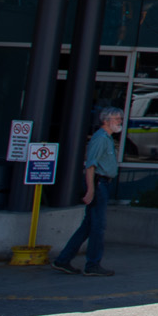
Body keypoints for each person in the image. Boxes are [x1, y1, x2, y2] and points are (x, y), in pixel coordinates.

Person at [53, 106, 123, 276]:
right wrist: (91, 189)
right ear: (106, 121)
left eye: (120, 118)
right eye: (116, 118)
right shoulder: (100, 139)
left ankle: (63, 260)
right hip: (99, 184)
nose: (120, 121)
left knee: (88, 226)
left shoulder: (107, 139)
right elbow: (90, 165)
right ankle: (92, 264)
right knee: (98, 226)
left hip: (102, 183)